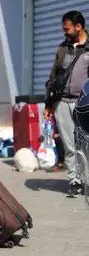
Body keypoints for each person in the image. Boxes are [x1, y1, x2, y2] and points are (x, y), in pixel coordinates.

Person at [44, 10, 89, 198]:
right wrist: (48, 104)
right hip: (63, 102)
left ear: (78, 27)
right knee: (69, 145)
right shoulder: (63, 48)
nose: (64, 32)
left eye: (67, 29)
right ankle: (75, 181)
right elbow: (53, 77)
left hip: (84, 104)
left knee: (85, 144)